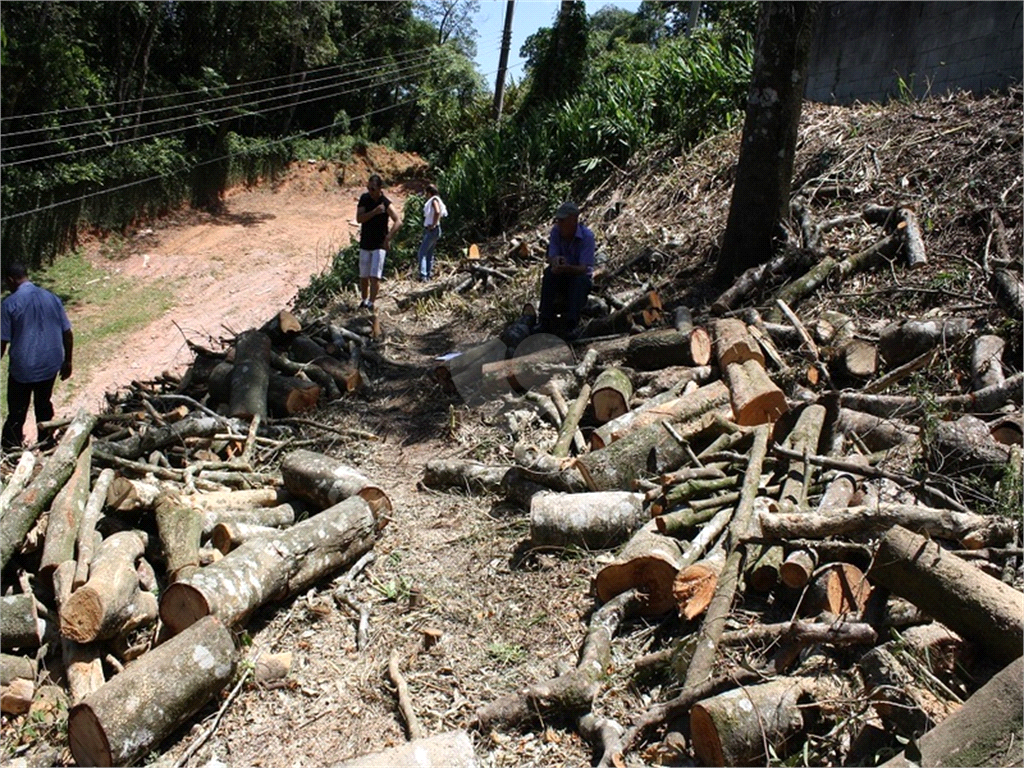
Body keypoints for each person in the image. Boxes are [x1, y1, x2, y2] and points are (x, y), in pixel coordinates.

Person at [1, 263, 74, 450]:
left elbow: (2, 341)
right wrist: (68, 361)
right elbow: (67, 332)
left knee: (17, 411)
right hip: (50, 364)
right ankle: (47, 444)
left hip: (23, 368)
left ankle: (11, 448)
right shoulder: (52, 298)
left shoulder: (9, 304)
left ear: (10, 280)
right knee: (43, 404)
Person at [538, 201, 595, 339]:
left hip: (579, 278)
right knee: (549, 274)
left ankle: (571, 324)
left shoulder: (587, 237)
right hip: (562, 276)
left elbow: (583, 268)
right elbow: (551, 256)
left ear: (573, 220)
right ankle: (544, 320)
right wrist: (555, 262)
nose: (560, 224)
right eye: (558, 221)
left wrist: (567, 268)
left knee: (579, 281)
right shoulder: (556, 232)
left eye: (563, 221)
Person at [355, 174, 402, 310]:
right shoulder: (364, 199)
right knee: (363, 276)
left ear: (380, 188)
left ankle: (371, 302)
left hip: (379, 244)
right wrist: (374, 212)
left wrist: (388, 238)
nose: (371, 192)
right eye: (369, 188)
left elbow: (398, 221)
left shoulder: (385, 203)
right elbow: (359, 218)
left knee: (375, 276)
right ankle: (364, 300)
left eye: (373, 189)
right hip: (365, 242)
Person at [417, 183, 447, 281]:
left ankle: (423, 275)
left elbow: (437, 212)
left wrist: (433, 224)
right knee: (429, 253)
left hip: (432, 230)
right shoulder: (438, 200)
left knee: (422, 252)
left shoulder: (434, 200)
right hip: (436, 230)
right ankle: (428, 274)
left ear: (429, 193)